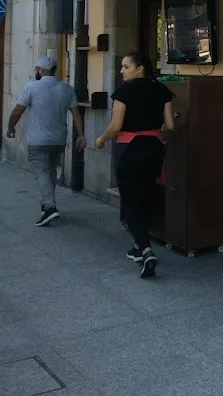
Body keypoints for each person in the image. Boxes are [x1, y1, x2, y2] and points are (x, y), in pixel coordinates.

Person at [95, 52, 174, 279]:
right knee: (146, 197)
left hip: (129, 149)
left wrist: (101, 139)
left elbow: (115, 126)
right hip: (154, 148)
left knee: (130, 200)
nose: (122, 71)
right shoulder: (162, 90)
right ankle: (138, 247)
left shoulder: (124, 93)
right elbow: (169, 124)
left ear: (139, 69)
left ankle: (146, 250)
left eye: (126, 66)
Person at [4, 56, 85, 226]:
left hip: (38, 140)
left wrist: (11, 127)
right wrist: (81, 135)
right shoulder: (67, 88)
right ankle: (46, 204)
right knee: (50, 172)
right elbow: (76, 113)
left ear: (40, 70)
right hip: (58, 139)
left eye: (36, 69)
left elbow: (18, 111)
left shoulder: (32, 87)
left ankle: (50, 208)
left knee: (41, 172)